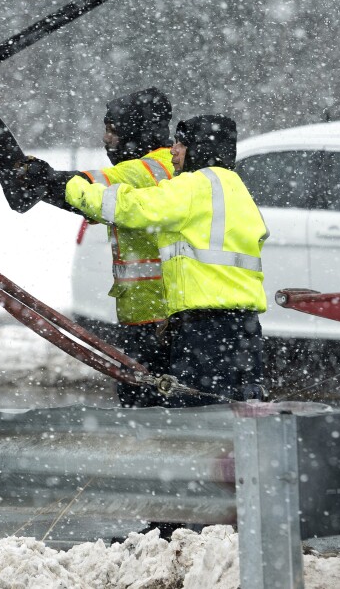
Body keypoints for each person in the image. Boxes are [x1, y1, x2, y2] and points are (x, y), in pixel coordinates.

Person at [28, 114, 268, 407]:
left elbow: (131, 207)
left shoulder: (194, 184)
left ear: (201, 148)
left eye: (182, 143)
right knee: (239, 411)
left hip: (206, 328)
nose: (173, 150)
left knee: (198, 418)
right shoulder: (236, 187)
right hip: (243, 326)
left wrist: (66, 186)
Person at [28, 88, 177, 407]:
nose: (107, 139)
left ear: (137, 133)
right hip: (156, 317)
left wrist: (42, 180)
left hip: (157, 322)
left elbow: (89, 187)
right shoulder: (165, 165)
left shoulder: (147, 170)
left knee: (147, 413)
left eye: (114, 131)